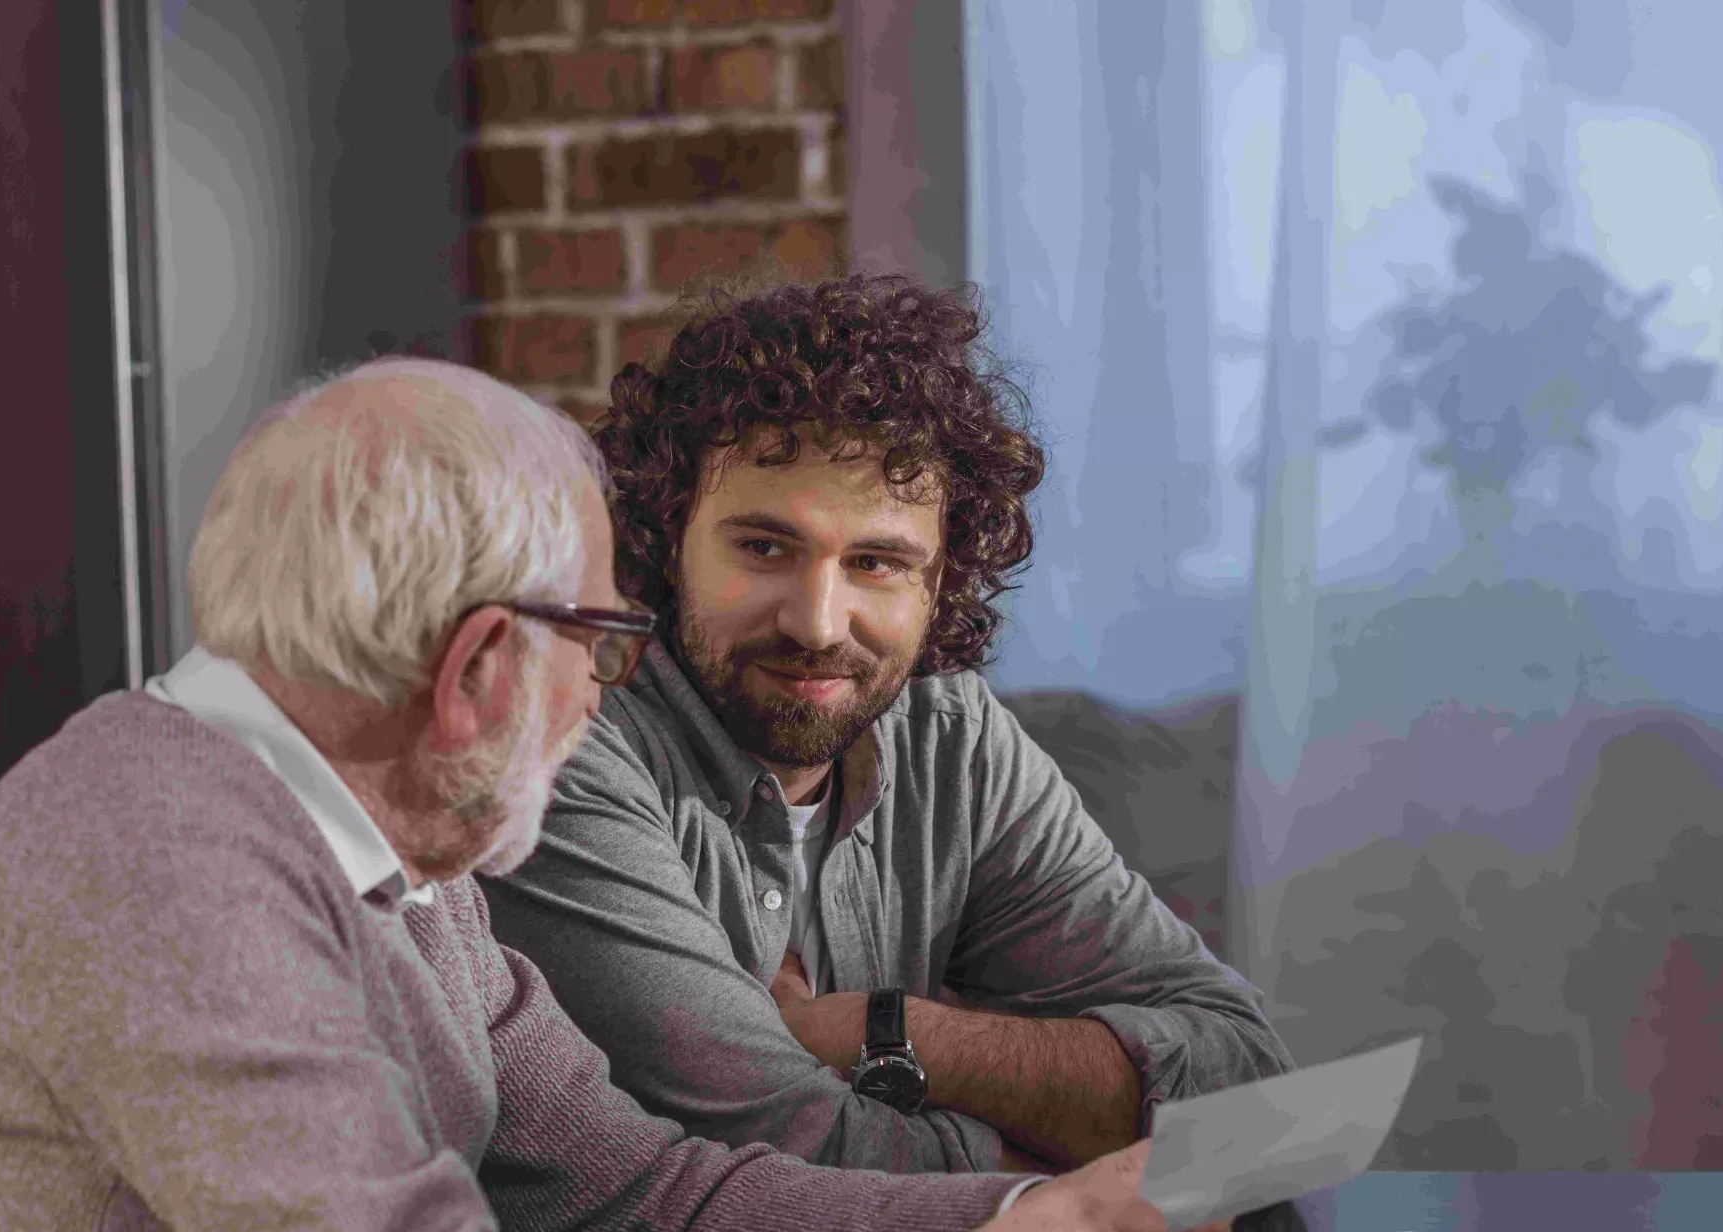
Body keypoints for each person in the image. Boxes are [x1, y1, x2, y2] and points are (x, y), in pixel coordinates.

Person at [0, 359, 1230, 1232]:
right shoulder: (166, 871)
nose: (602, 690)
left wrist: (1031, 1223)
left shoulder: (396, 856)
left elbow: (642, 1201)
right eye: (602, 638)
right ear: (479, 667)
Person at [478, 275, 1294, 1175]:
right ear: (669, 540)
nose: (817, 623)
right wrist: (1083, 1161)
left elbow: (1250, 1099)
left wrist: (888, 1034)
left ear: (939, 581)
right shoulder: (571, 742)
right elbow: (782, 1160)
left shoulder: (951, 739)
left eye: (876, 562)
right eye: (763, 548)